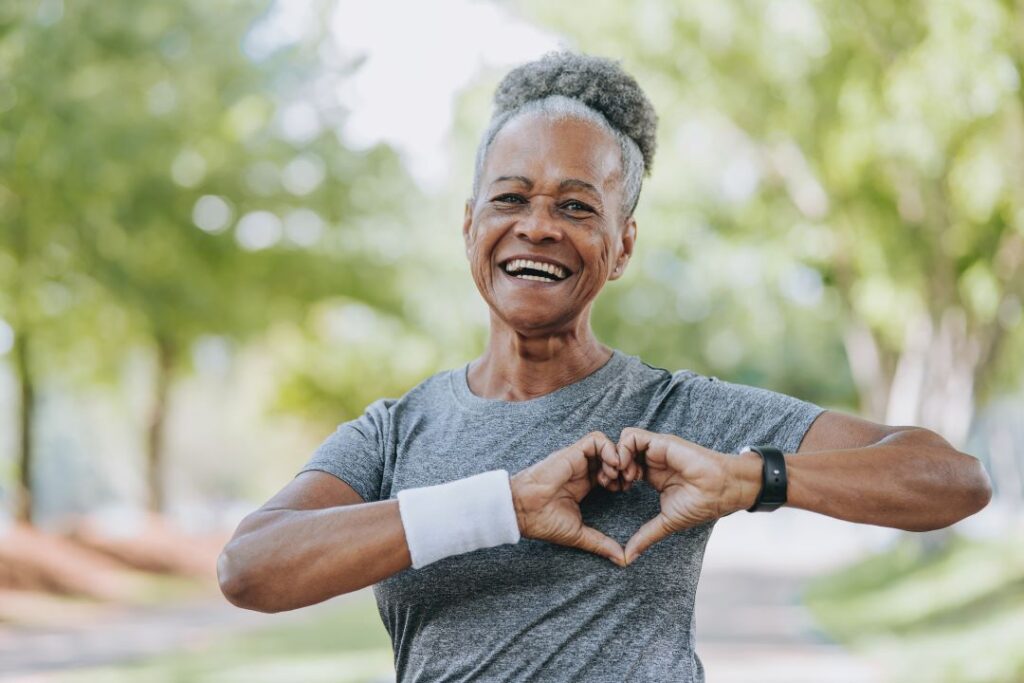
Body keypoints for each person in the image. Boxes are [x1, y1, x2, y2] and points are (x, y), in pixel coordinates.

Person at [217, 52, 992, 681]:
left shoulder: (683, 413)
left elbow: (952, 477)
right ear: (470, 226)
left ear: (623, 244)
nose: (539, 226)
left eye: (578, 206)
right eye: (511, 198)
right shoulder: (396, 431)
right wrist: (507, 503)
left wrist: (752, 477)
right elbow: (250, 567)